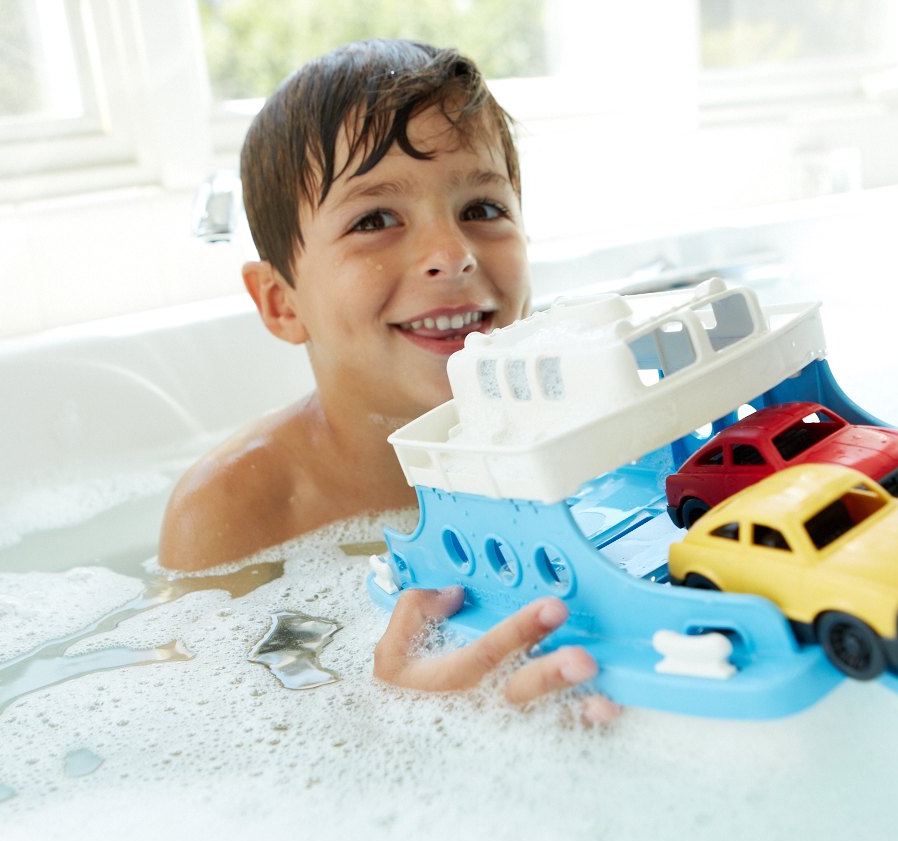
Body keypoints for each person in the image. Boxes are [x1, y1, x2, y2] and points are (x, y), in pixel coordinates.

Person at [159, 39, 616, 722]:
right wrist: (393, 713)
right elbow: (213, 732)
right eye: (374, 220)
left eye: (482, 209)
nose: (452, 255)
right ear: (282, 303)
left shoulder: (598, 425)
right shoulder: (237, 507)